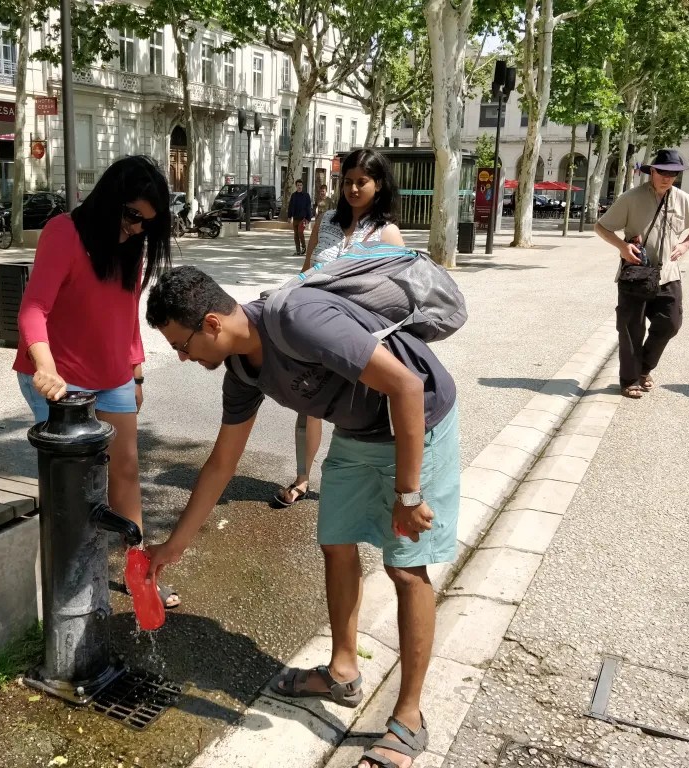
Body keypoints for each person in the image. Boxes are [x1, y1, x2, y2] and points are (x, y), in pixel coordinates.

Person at [145, 265, 459, 768]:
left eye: (181, 345)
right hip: (357, 433)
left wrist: (408, 492)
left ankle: (410, 716)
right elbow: (222, 463)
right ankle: (342, 671)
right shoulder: (242, 371)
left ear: (210, 324)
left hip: (419, 421)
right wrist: (175, 544)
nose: (182, 358)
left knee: (405, 567)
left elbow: (405, 385)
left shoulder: (296, 320)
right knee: (336, 543)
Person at [14, 155, 180, 608]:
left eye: (148, 222)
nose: (138, 229)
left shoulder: (134, 245)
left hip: (113, 378)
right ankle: (75, 581)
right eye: (132, 216)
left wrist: (137, 370)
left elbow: (126, 315)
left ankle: (137, 572)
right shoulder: (63, 233)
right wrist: (45, 367)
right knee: (78, 484)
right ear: (109, 199)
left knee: (124, 471)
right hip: (60, 384)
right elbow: (33, 309)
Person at [275, 149, 405, 508]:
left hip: (359, 337)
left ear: (378, 186)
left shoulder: (387, 233)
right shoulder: (327, 220)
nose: (352, 188)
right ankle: (303, 479)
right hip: (314, 333)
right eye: (347, 181)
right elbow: (306, 270)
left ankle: (363, 486)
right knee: (309, 405)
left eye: (361, 181)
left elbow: (400, 295)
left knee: (359, 414)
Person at [595, 148, 689, 399]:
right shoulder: (631, 198)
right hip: (636, 274)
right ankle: (630, 379)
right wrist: (622, 246)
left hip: (668, 274)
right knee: (630, 329)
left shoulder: (682, 199)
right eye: (663, 172)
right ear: (652, 171)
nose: (667, 177)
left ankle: (644, 368)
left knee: (670, 323)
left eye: (673, 174)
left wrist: (686, 244)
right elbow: (601, 226)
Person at [288, 180, 312, 255]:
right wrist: (289, 216)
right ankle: (298, 250)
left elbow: (308, 207)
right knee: (296, 235)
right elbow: (290, 206)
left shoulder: (306, 195)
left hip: (303, 218)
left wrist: (308, 218)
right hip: (295, 218)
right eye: (298, 185)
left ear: (302, 186)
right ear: (296, 186)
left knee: (300, 232)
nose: (299, 187)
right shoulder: (293, 195)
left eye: (301, 185)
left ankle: (304, 247)